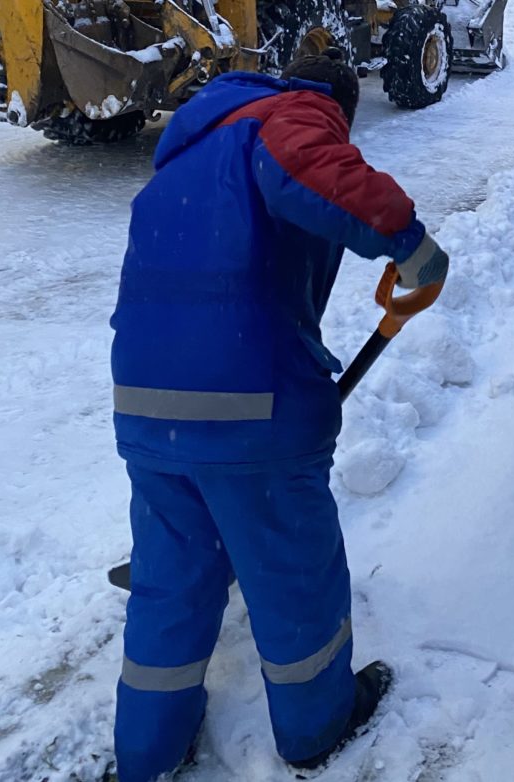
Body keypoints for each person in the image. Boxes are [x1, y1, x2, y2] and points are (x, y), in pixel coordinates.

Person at [108, 48, 449, 782]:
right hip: (246, 398)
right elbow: (316, 169)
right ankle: (317, 726)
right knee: (290, 566)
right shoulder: (292, 115)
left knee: (173, 578)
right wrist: (411, 245)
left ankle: (147, 751)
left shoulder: (191, 152)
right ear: (338, 105)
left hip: (145, 403)